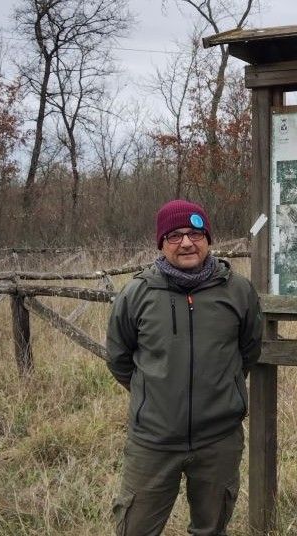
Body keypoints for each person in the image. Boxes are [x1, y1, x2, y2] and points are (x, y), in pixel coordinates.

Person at [106, 199, 262, 536]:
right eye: (175, 236)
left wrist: (224, 392)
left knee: (211, 529)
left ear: (208, 238)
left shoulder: (237, 291)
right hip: (153, 440)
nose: (187, 242)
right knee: (135, 529)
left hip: (218, 439)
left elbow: (248, 350)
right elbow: (120, 359)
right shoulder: (137, 294)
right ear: (161, 243)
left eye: (195, 233)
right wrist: (155, 398)